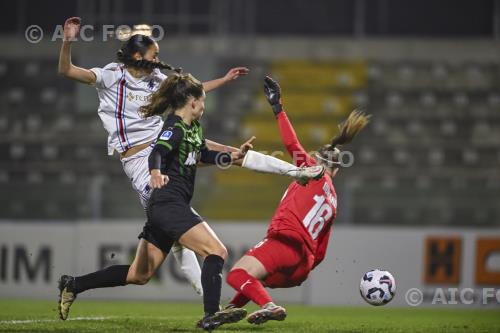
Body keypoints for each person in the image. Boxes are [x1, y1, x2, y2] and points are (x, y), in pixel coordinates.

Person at [57, 16, 323, 314]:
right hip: (140, 160)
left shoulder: (157, 82)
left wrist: (223, 80)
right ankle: (211, 307)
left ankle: (73, 284)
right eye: (153, 55)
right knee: (182, 225)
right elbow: (67, 70)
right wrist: (68, 40)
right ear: (136, 56)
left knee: (140, 274)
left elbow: (190, 92)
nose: (158, 60)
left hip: (167, 145)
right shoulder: (110, 76)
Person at [225, 76, 371, 325]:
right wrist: (301, 264)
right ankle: (229, 310)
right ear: (337, 170)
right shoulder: (333, 200)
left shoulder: (313, 171)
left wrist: (277, 107)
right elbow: (321, 253)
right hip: (302, 266)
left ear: (318, 159)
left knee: (237, 274)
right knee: (254, 277)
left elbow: (291, 143)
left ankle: (269, 305)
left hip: (285, 243)